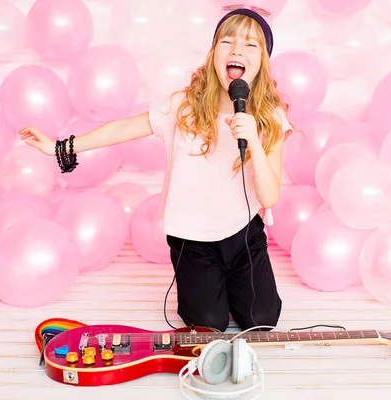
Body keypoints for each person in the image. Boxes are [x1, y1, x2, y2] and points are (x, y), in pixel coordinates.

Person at [20, 5, 293, 333]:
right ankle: (203, 285)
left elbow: (269, 195)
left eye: (250, 45)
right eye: (227, 41)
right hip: (193, 238)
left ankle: (233, 282)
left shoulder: (269, 117)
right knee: (209, 326)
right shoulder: (183, 108)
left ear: (262, 62)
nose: (237, 49)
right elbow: (121, 129)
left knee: (262, 320)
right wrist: (58, 147)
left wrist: (255, 143)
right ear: (213, 53)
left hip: (243, 234)